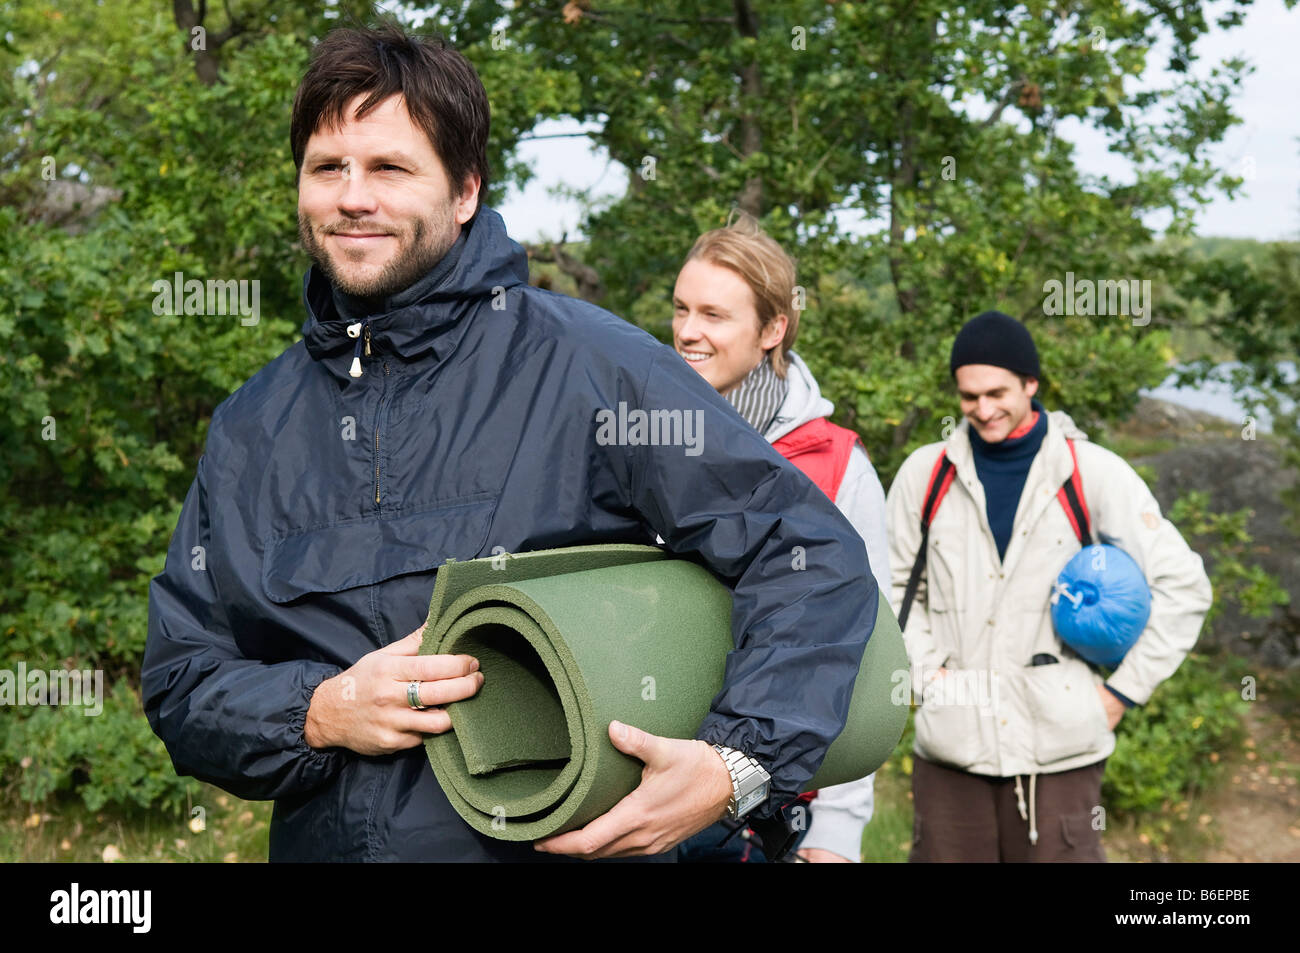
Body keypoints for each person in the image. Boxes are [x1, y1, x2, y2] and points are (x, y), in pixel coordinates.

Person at [141, 24, 880, 863]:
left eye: (389, 167)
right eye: (327, 168)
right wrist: (318, 708)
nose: (353, 197)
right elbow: (180, 679)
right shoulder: (250, 428)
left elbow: (808, 554)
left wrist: (734, 763)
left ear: (463, 191)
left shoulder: (592, 368)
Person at [886, 310, 1212, 862]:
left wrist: (1122, 692)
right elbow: (893, 589)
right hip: (950, 749)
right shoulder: (925, 474)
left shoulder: (1093, 473)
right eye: (969, 397)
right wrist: (926, 675)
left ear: (1031, 385)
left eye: (997, 392)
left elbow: (1185, 586)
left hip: (1060, 752)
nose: (984, 410)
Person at [670, 215, 889, 863]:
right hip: (643, 786)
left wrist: (838, 832)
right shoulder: (646, 440)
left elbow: (867, 655)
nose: (686, 331)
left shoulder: (836, 464)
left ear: (772, 329)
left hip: (774, 811)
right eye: (680, 309)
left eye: (713, 314)